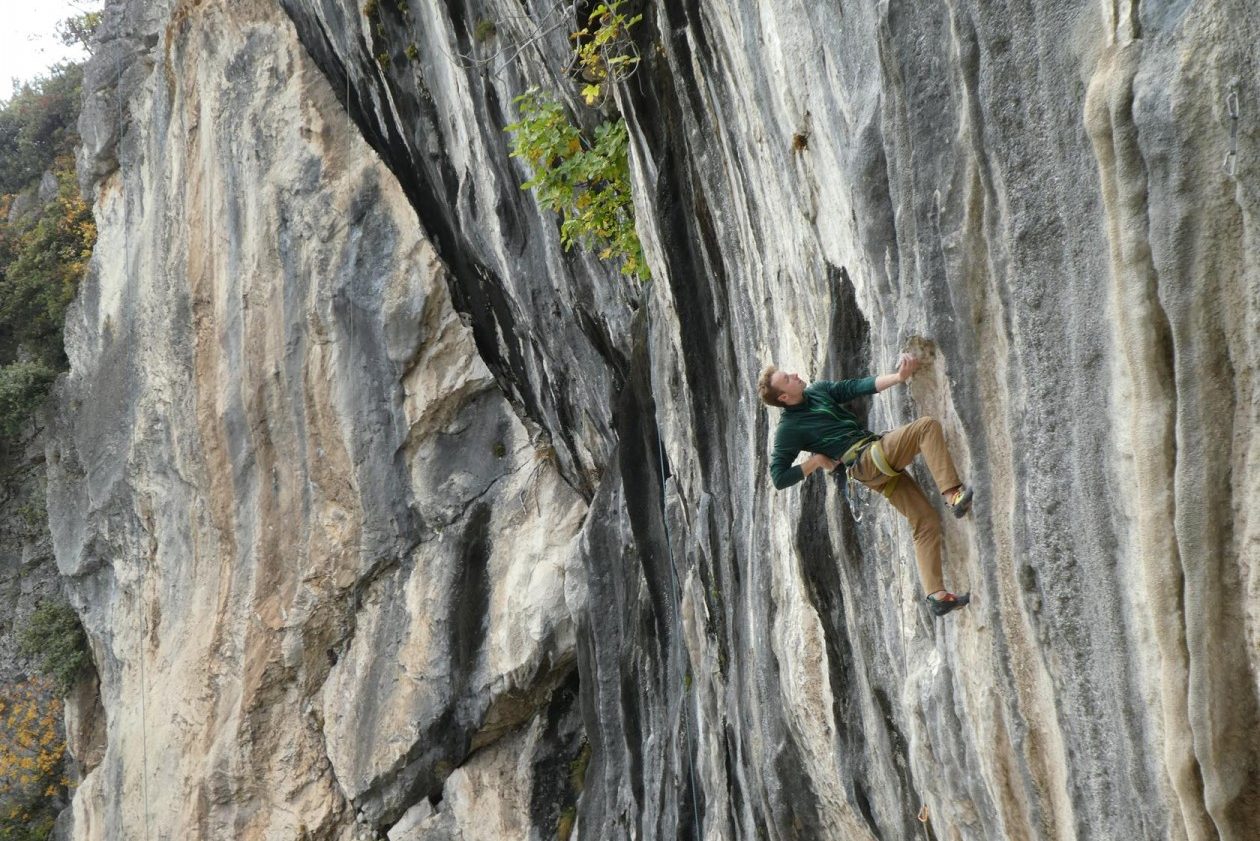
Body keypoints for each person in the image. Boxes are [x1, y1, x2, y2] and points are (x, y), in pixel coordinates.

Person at [758, 355, 974, 616]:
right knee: (924, 428)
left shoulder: (817, 391)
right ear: (783, 397)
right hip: (867, 460)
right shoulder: (788, 429)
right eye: (786, 378)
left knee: (925, 521)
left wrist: (898, 377)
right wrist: (815, 461)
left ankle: (936, 595)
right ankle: (953, 495)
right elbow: (778, 477)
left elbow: (854, 387)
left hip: (870, 468)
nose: (793, 374)